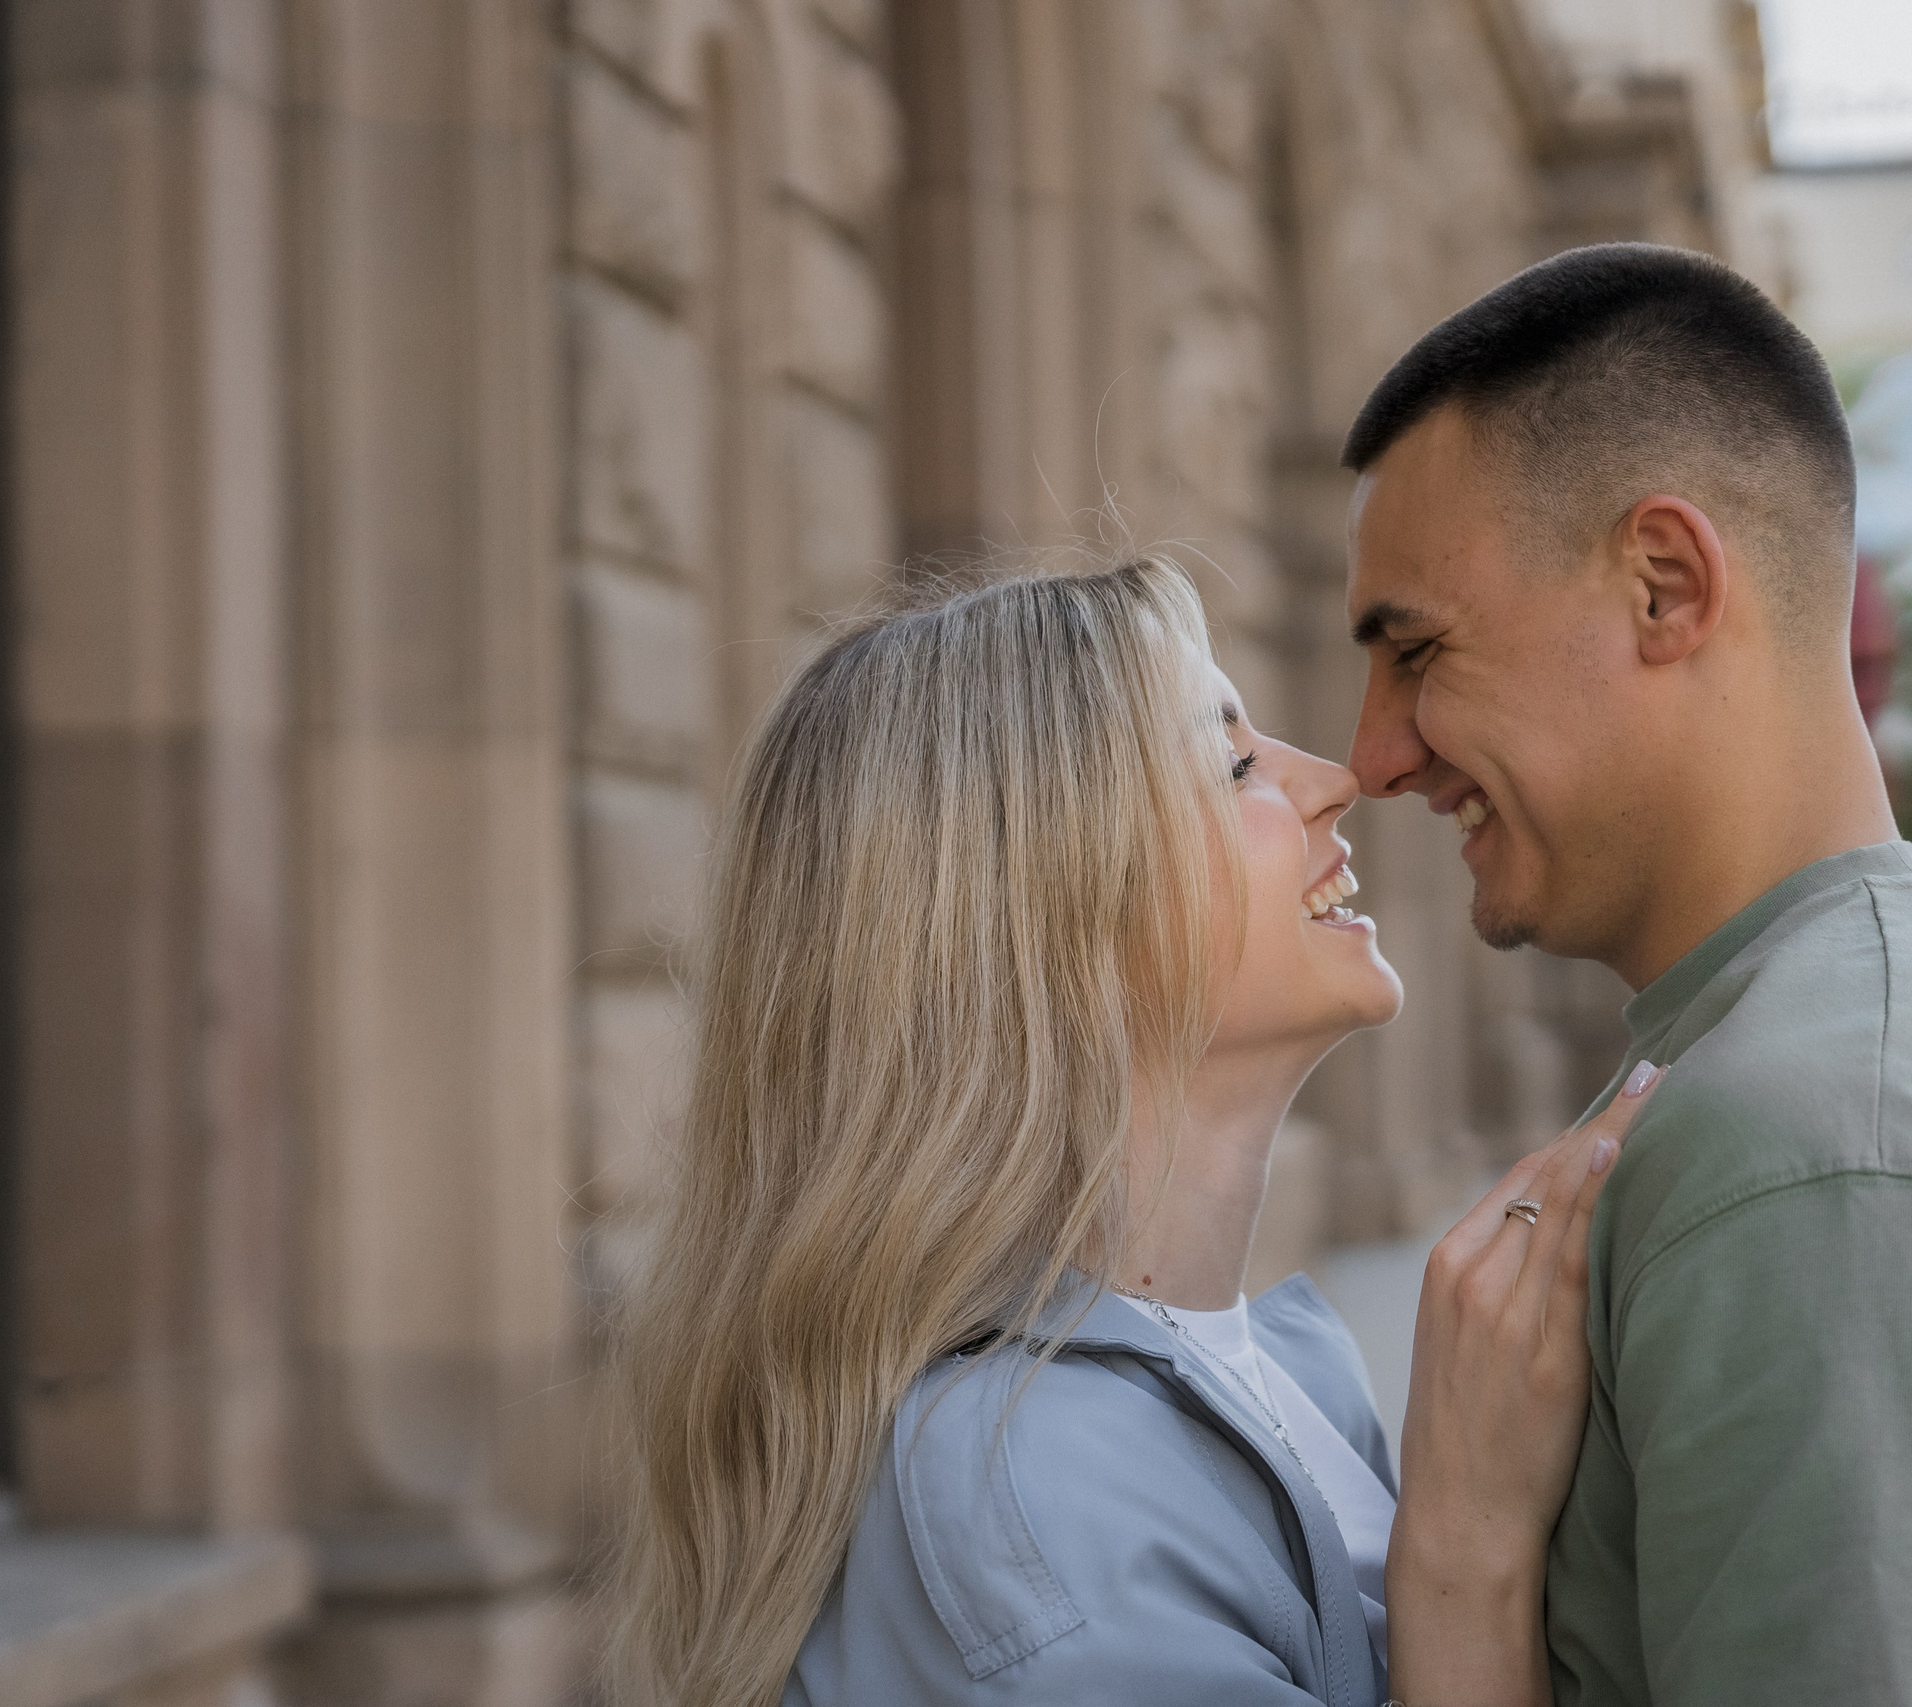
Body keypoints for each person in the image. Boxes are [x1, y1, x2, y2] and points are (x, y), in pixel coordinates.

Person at [1341, 242, 1912, 1706]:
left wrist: (1465, 1572)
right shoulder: (1845, 1051)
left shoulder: (1829, 1146)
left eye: (1418, 650)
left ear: (1665, 584)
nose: (1377, 752)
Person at [611, 556, 1658, 1707]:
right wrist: (1469, 1552)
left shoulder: (1275, 1368)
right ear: (1038, 915)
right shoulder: (1022, 1510)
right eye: (1232, 763)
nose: (1335, 779)